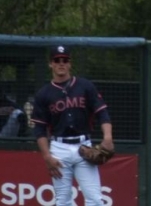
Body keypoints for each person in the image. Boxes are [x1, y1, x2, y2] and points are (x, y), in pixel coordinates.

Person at [31, 45, 114, 206]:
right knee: (63, 201)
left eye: (65, 60)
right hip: (59, 149)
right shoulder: (43, 94)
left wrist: (108, 137)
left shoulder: (85, 86)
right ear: (51, 64)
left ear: (70, 63)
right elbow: (39, 129)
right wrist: (47, 156)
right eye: (57, 60)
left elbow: (102, 112)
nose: (61, 63)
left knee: (95, 200)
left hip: (84, 147)